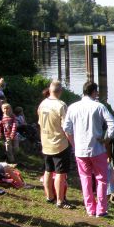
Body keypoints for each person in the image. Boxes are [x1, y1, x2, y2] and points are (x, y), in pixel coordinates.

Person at [64, 81, 114, 217]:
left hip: (80, 150)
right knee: (101, 179)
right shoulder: (99, 107)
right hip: (97, 148)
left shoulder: (72, 107)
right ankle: (101, 209)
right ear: (94, 92)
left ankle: (90, 208)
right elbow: (112, 124)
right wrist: (107, 139)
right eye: (96, 92)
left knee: (85, 178)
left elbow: (67, 129)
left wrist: (73, 144)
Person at [38, 80, 74, 209]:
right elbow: (66, 127)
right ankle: (60, 200)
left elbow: (39, 122)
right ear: (60, 91)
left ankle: (49, 196)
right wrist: (73, 143)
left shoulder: (42, 104)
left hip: (46, 141)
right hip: (59, 143)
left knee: (48, 170)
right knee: (60, 172)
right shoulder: (61, 105)